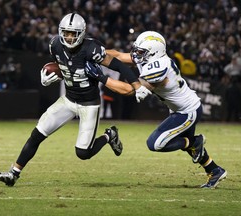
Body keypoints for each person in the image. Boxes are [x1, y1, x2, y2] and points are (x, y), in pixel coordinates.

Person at [0, 13, 151, 186]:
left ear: (81, 33)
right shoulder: (55, 45)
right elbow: (64, 66)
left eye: (72, 33)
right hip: (67, 100)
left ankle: (109, 135)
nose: (68, 37)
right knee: (37, 134)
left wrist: (137, 85)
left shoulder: (92, 49)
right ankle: (13, 173)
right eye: (66, 33)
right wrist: (53, 76)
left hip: (89, 104)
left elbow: (119, 65)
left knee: (83, 153)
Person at [85, 31, 227, 189]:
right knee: (186, 146)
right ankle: (215, 170)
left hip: (188, 111)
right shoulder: (150, 57)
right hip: (179, 110)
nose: (136, 54)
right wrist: (96, 52)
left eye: (141, 52)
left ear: (153, 52)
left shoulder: (158, 68)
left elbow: (129, 90)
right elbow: (118, 55)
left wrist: (101, 77)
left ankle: (195, 141)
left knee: (156, 143)